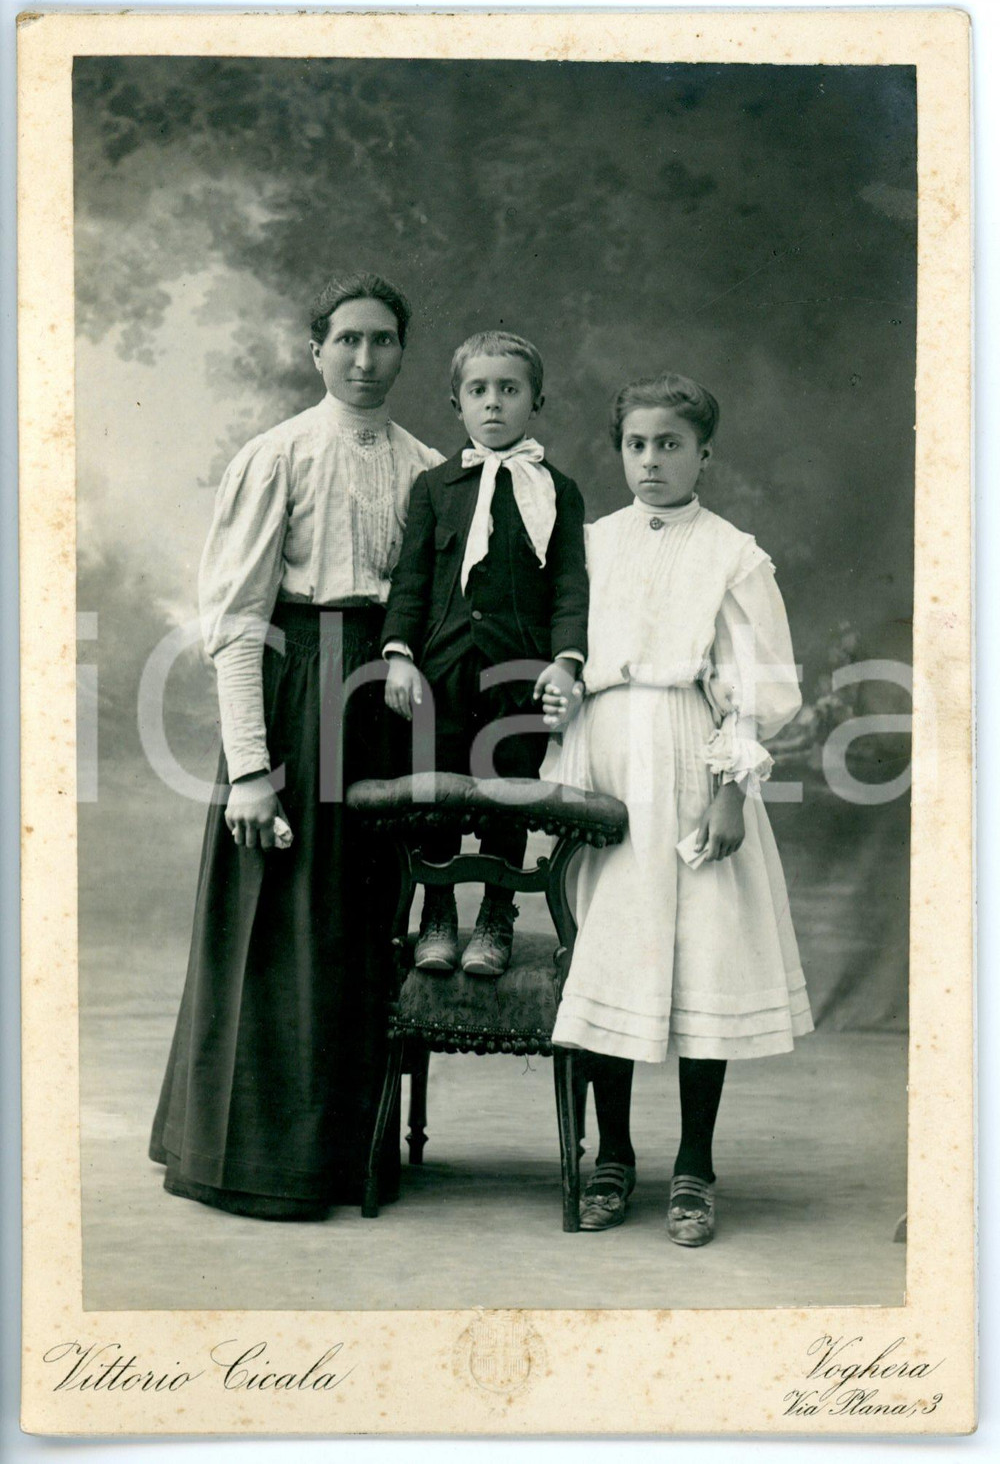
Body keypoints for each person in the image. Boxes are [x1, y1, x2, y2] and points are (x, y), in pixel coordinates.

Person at [149, 271, 443, 1220]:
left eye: (384, 340)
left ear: (405, 351)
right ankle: (255, 1163)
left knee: (362, 930)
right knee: (282, 926)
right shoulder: (275, 456)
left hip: (390, 703)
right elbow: (235, 624)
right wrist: (248, 771)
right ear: (315, 349)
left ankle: (352, 1159)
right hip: (298, 690)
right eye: (347, 339)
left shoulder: (428, 467)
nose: (365, 359)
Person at [540, 371, 813, 1245]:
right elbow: (568, 643)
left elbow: (758, 687)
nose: (650, 461)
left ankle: (694, 1164)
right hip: (605, 757)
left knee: (701, 958)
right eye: (635, 444)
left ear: (704, 454)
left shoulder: (732, 553)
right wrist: (562, 686)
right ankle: (613, 1153)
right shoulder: (591, 542)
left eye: (669, 445)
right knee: (613, 952)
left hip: (692, 762)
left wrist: (733, 791)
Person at [381, 330, 588, 976]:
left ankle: (497, 914)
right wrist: (399, 655)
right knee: (437, 792)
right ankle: (437, 914)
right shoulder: (434, 487)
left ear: (537, 402)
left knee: (511, 794)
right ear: (456, 403)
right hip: (440, 670)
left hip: (518, 672)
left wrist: (566, 660)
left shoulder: (558, 490)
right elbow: (410, 582)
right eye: (478, 391)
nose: (493, 403)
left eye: (509, 390)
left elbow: (570, 587)